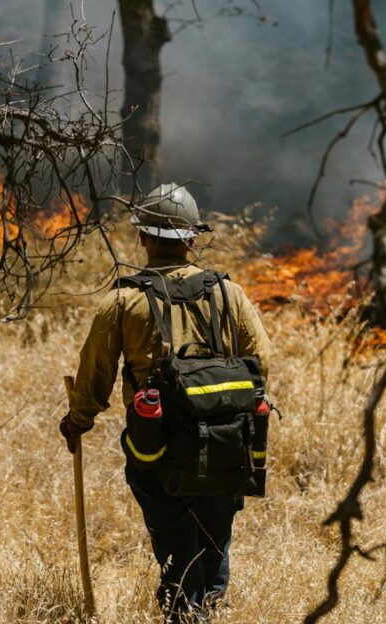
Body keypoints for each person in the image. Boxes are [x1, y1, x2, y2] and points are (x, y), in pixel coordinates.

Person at [60, 183, 272, 621]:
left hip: (158, 451)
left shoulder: (123, 302)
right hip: (226, 448)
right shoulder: (229, 295)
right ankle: (210, 606)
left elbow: (94, 378)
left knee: (176, 553)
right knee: (214, 548)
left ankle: (186, 611)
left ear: (142, 237)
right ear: (192, 239)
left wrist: (77, 421)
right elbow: (261, 365)